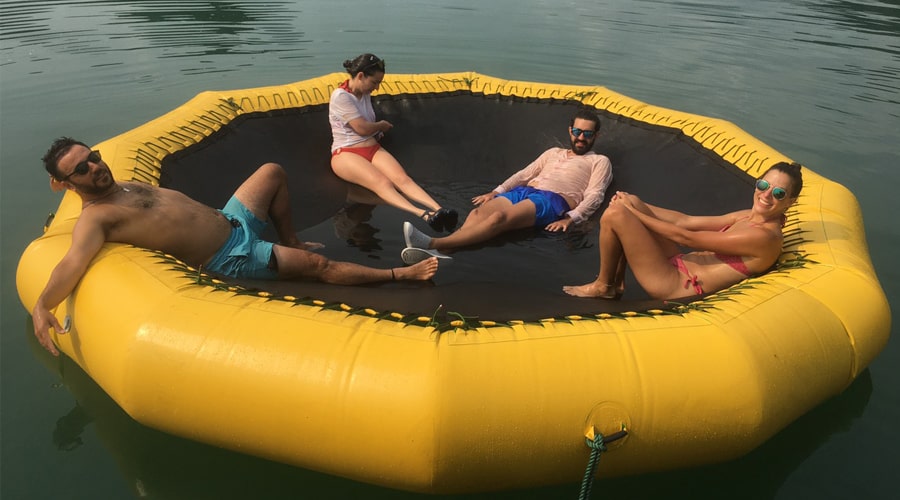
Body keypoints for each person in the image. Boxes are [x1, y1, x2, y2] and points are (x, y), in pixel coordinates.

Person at [32, 137, 440, 356]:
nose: (95, 167)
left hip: (231, 220)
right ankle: (400, 273)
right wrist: (42, 305)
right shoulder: (96, 217)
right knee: (318, 264)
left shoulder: (120, 183)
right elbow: (72, 262)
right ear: (68, 185)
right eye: (81, 169)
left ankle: (291, 238)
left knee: (272, 172)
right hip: (230, 256)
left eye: (94, 157)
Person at [563, 161, 803, 300]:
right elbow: (684, 222)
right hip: (678, 263)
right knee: (630, 203)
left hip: (677, 284)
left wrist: (631, 213)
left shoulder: (763, 237)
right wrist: (635, 203)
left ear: (790, 201)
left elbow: (687, 238)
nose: (766, 195)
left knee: (617, 214)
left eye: (779, 193)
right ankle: (617, 283)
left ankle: (604, 285)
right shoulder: (746, 216)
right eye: (764, 185)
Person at [399, 108, 612, 264]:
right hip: (525, 191)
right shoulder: (552, 153)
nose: (581, 138)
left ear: (596, 136)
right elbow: (524, 174)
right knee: (476, 214)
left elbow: (596, 194)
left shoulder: (599, 161)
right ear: (570, 130)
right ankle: (441, 254)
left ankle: (432, 243)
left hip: (552, 200)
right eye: (577, 131)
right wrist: (496, 191)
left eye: (588, 134)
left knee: (499, 219)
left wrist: (572, 217)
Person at [329, 53, 457, 232]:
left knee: (403, 179)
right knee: (383, 183)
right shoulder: (340, 96)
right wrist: (380, 125)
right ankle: (423, 214)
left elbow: (366, 128)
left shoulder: (363, 93)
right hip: (346, 153)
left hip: (372, 148)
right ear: (360, 76)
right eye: (374, 82)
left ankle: (439, 210)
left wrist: (378, 131)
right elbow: (362, 128)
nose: (377, 87)